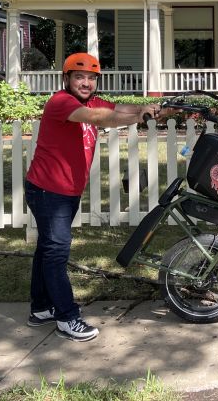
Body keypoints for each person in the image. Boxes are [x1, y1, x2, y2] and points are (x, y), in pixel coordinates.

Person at [25, 52, 167, 342]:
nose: (86, 82)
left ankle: (41, 308)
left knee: (46, 249)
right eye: (79, 77)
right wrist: (134, 116)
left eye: (91, 78)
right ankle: (67, 317)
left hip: (64, 190)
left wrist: (145, 109)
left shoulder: (91, 101)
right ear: (67, 79)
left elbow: (117, 109)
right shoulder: (61, 103)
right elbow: (101, 117)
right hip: (48, 190)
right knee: (56, 251)